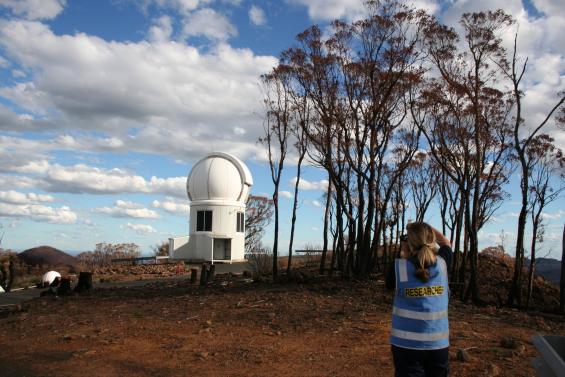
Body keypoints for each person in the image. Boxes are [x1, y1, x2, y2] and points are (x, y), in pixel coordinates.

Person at [386, 222, 453, 377]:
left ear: (408, 243)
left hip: (405, 345)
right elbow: (445, 242)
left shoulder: (398, 268)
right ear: (430, 240)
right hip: (438, 344)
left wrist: (404, 251)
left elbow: (390, 283)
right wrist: (426, 227)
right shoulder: (442, 264)